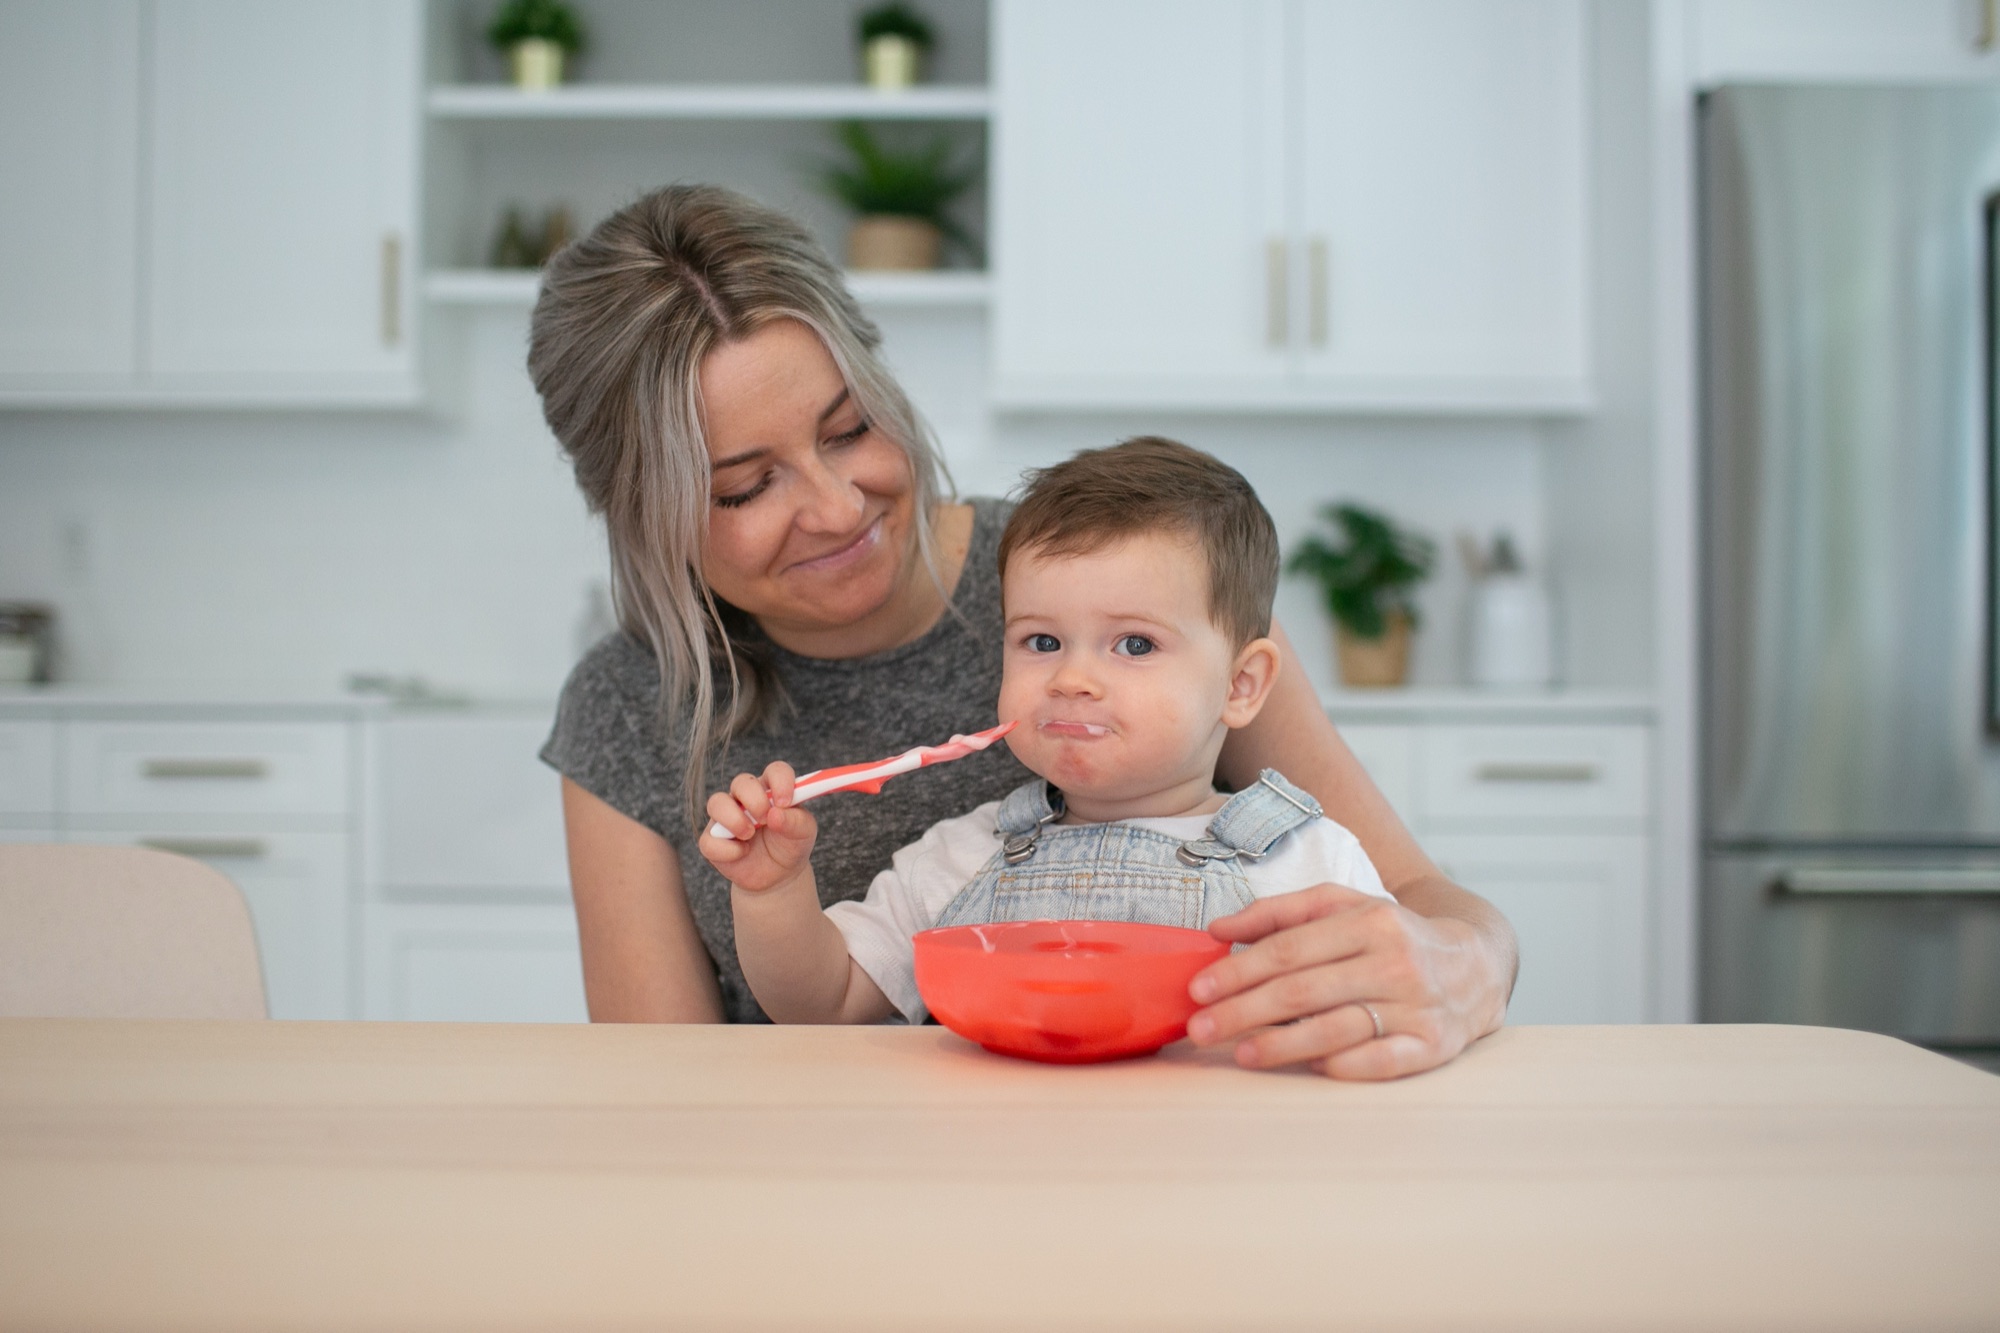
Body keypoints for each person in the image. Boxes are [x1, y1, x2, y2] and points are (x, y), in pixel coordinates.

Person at [531, 183, 1516, 1078]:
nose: (836, 507)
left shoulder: (1129, 584)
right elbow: (660, 1090)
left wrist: (1467, 961)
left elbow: (1424, 904)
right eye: (746, 485)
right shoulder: (631, 705)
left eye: (848, 430)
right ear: (639, 513)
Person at [699, 439, 1398, 1028]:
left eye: (1133, 645)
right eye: (1041, 640)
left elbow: (1394, 1014)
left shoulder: (1313, 866)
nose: (1071, 678)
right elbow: (820, 1001)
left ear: (1241, 685)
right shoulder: (960, 859)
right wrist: (773, 891)